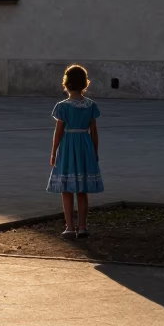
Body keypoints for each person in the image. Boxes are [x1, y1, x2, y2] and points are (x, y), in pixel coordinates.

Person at [47, 64, 103, 238]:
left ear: (67, 83)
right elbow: (94, 131)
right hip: (85, 145)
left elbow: (58, 132)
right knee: (82, 188)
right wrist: (94, 151)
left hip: (68, 146)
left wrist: (53, 151)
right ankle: (83, 226)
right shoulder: (90, 105)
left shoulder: (62, 106)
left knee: (66, 188)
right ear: (84, 84)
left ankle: (70, 227)